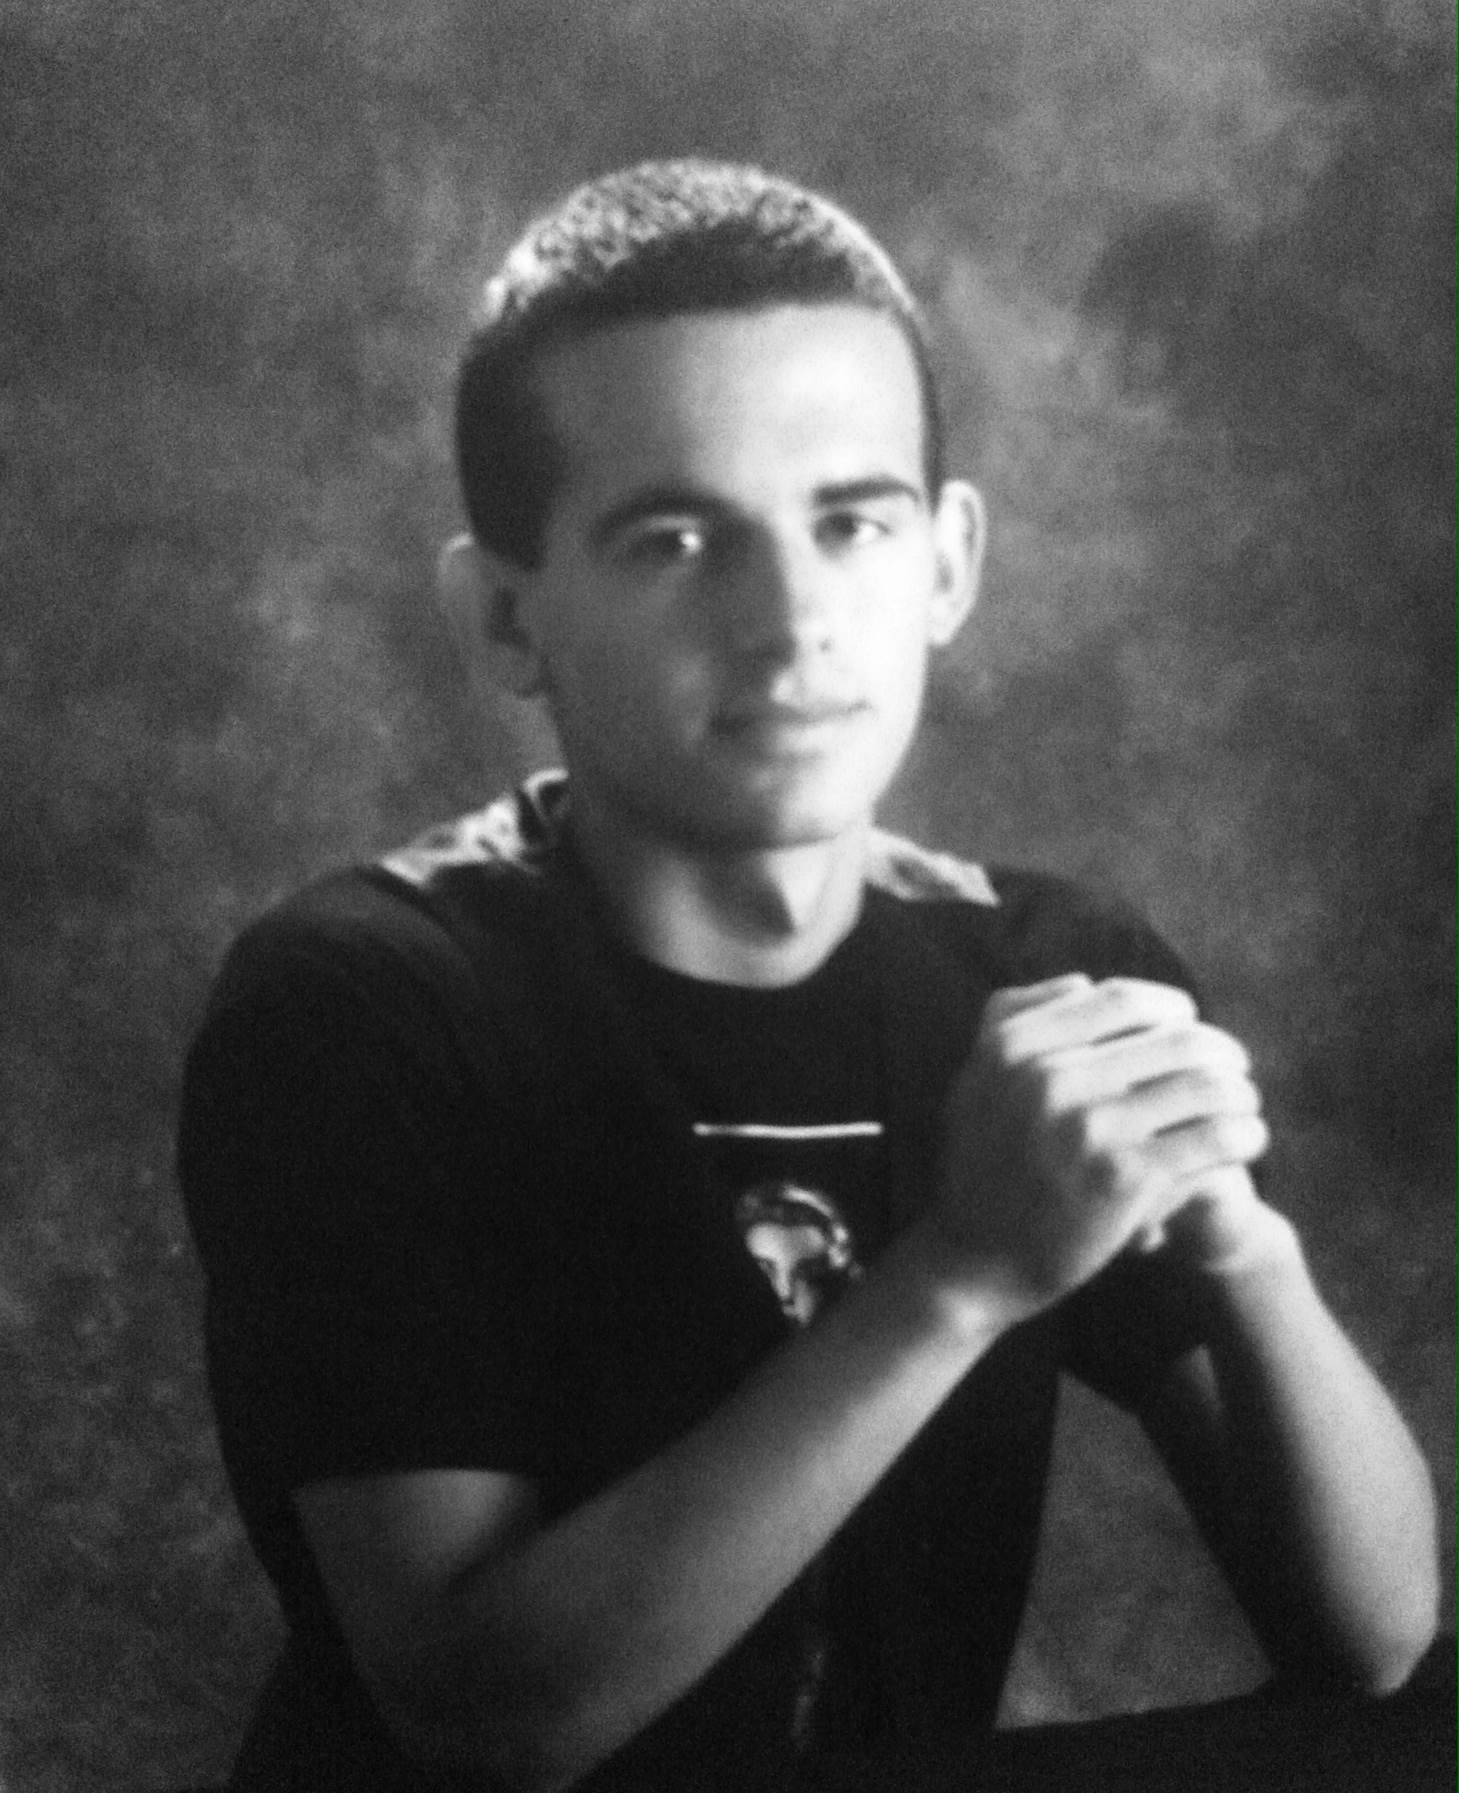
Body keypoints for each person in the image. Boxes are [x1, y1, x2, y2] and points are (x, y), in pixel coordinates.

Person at [177, 159, 1445, 1793]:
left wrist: (1244, 1248)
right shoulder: (357, 1009)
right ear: (502, 617)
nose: (789, 623)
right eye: (674, 539)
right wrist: (961, 1273)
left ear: (948, 564)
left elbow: (1373, 1638)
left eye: (852, 523)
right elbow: (487, 1726)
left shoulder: (1047, 972)